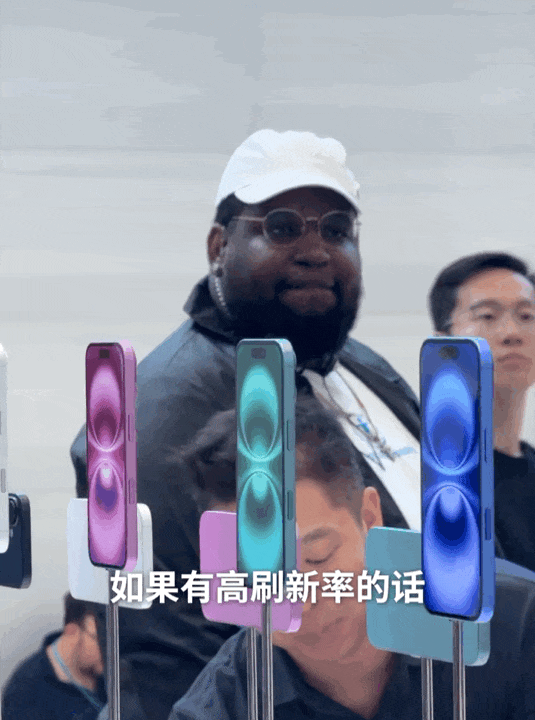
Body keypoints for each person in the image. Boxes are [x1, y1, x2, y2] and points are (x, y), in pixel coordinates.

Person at [70, 129, 420, 720]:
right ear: (219, 245)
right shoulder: (163, 412)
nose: (316, 251)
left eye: (337, 229)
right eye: (282, 227)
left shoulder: (359, 365)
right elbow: (163, 667)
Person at [168, 396, 535, 720]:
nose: (301, 601)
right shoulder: (220, 706)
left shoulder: (513, 626)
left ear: (369, 517)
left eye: (318, 558)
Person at [428, 252, 535, 572]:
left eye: (527, 316)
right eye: (487, 316)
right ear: (443, 343)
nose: (512, 333)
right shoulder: (435, 476)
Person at [2, 594, 106, 720]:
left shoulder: (102, 666)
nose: (109, 651)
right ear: (72, 631)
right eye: (101, 640)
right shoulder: (25, 696)